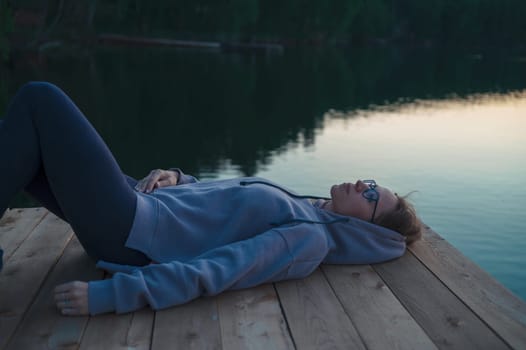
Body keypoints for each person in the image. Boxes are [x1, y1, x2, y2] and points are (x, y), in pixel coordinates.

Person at [0, 82, 422, 316]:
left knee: (41, 100)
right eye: (371, 181)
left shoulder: (309, 240)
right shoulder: (310, 209)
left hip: (130, 234)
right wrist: (177, 179)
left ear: (365, 227)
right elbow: (219, 205)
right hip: (142, 206)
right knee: (27, 144)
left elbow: (219, 270)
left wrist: (113, 296)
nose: (361, 183)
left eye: (371, 195)